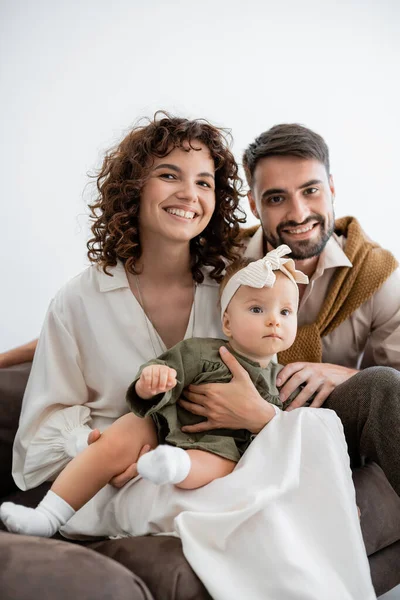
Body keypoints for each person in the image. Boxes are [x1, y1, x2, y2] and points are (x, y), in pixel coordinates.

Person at [1, 246, 310, 536]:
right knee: (125, 430)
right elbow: (162, 374)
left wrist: (263, 418)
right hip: (165, 427)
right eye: (257, 309)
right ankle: (47, 516)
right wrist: (150, 383)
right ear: (227, 323)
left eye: (286, 312)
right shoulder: (199, 351)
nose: (274, 320)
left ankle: (175, 466)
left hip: (221, 448)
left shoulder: (282, 381)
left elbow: (276, 441)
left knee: (221, 464)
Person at [178, 122, 400, 496]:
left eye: (311, 191)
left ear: (331, 188)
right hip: (227, 419)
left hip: (328, 421)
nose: (299, 214)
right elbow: (150, 298)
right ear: (254, 204)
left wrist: (344, 374)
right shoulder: (221, 262)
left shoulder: (375, 272)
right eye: (277, 198)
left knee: (384, 385)